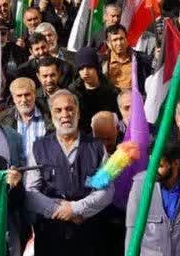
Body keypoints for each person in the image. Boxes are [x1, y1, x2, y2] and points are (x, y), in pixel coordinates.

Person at [25, 89, 114, 256]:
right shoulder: (38, 147)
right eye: (58, 110)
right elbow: (30, 192)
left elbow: (106, 190)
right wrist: (56, 210)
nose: (65, 114)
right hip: (51, 234)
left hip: (88, 233)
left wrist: (75, 209)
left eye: (69, 109)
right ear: (52, 115)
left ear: (78, 113)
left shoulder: (96, 147)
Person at [125, 141, 180, 256]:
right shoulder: (140, 184)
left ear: (175, 163)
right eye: (151, 164)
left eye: (160, 166)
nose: (153, 171)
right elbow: (132, 228)